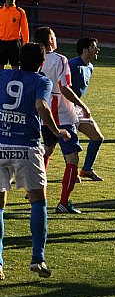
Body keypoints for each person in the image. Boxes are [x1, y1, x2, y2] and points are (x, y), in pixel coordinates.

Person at [0, 42, 71, 281]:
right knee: (37, 200)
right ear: (42, 64)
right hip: (26, 146)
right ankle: (37, 258)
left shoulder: (3, 75)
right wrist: (56, 130)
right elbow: (41, 105)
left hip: (0, 144)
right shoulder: (42, 81)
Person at [33, 27, 90, 214]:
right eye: (54, 37)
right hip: (62, 114)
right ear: (50, 40)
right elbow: (65, 88)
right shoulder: (60, 60)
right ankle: (64, 202)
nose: (56, 39)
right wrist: (82, 105)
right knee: (72, 158)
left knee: (47, 150)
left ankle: (35, 188)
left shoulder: (34, 57)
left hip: (42, 113)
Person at [68, 38, 105, 181]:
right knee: (55, 145)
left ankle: (87, 170)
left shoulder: (90, 67)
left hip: (77, 107)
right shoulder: (72, 65)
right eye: (94, 47)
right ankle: (71, 173)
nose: (97, 50)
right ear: (85, 50)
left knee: (97, 137)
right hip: (65, 107)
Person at [0, 0, 29, 70]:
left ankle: (15, 82)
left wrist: (25, 43)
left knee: (16, 66)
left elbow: (24, 29)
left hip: (14, 43)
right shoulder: (0, 11)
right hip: (1, 42)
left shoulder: (20, 12)